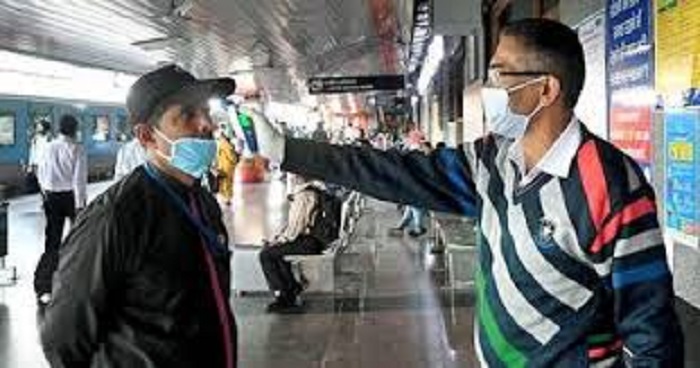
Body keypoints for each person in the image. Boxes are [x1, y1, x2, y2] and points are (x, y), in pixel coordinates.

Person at [248, 19, 683, 366]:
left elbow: (651, 330)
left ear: (546, 89)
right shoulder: (492, 159)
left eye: (499, 74)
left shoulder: (610, 185)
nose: (488, 87)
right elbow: (391, 172)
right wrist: (288, 152)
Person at [40, 64, 238, 368]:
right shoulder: (115, 217)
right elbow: (64, 338)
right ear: (146, 136)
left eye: (206, 111)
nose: (207, 124)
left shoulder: (201, 202)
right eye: (187, 114)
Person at [34, 114, 87, 306]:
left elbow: (40, 172)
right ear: (74, 129)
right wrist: (80, 205)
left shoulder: (49, 147)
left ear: (59, 129)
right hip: (70, 197)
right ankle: (75, 283)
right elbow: (78, 180)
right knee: (78, 240)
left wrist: (46, 192)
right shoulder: (76, 148)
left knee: (52, 241)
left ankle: (44, 287)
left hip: (51, 197)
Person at [259, 175, 327, 313]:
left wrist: (277, 242)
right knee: (276, 252)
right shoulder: (310, 192)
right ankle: (290, 288)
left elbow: (296, 228)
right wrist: (278, 240)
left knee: (266, 254)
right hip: (311, 240)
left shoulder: (304, 196)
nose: (291, 178)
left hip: (308, 242)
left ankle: (284, 295)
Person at [25, 119, 52, 193]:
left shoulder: (49, 139)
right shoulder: (35, 139)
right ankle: (45, 200)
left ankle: (47, 200)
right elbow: (32, 152)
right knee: (40, 184)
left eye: (39, 126)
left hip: (47, 164)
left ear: (44, 127)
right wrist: (30, 165)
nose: (38, 127)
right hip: (37, 164)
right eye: (37, 126)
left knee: (48, 184)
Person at [215, 127, 238, 206]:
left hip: (222, 165)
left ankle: (225, 197)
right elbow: (231, 155)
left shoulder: (221, 143)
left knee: (223, 182)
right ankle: (227, 198)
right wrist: (234, 162)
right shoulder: (226, 144)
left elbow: (218, 155)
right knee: (228, 182)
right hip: (227, 166)